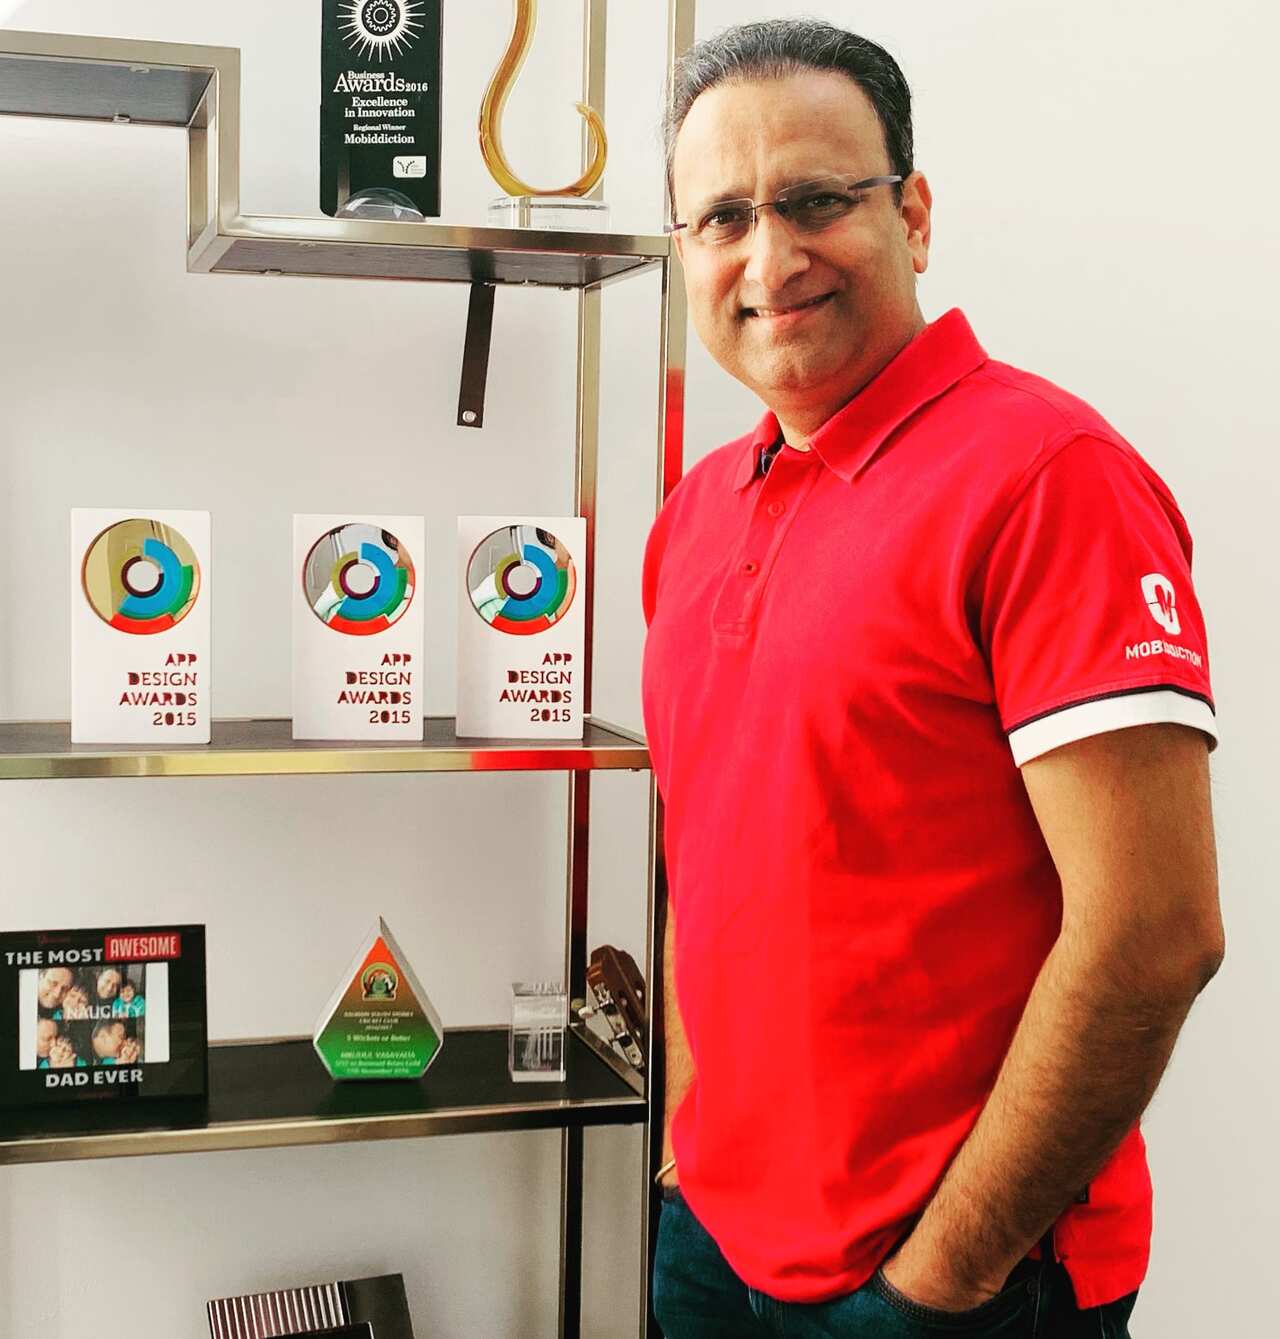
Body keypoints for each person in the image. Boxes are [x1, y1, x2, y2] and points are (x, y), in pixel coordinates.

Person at [641, 19, 1224, 1339]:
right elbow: (707, 860)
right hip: (712, 1249)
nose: (770, 258)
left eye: (814, 200)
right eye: (723, 217)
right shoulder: (694, 517)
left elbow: (1153, 931)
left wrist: (941, 1277)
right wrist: (685, 1146)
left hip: (957, 1285)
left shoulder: (1049, 480)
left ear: (910, 215)